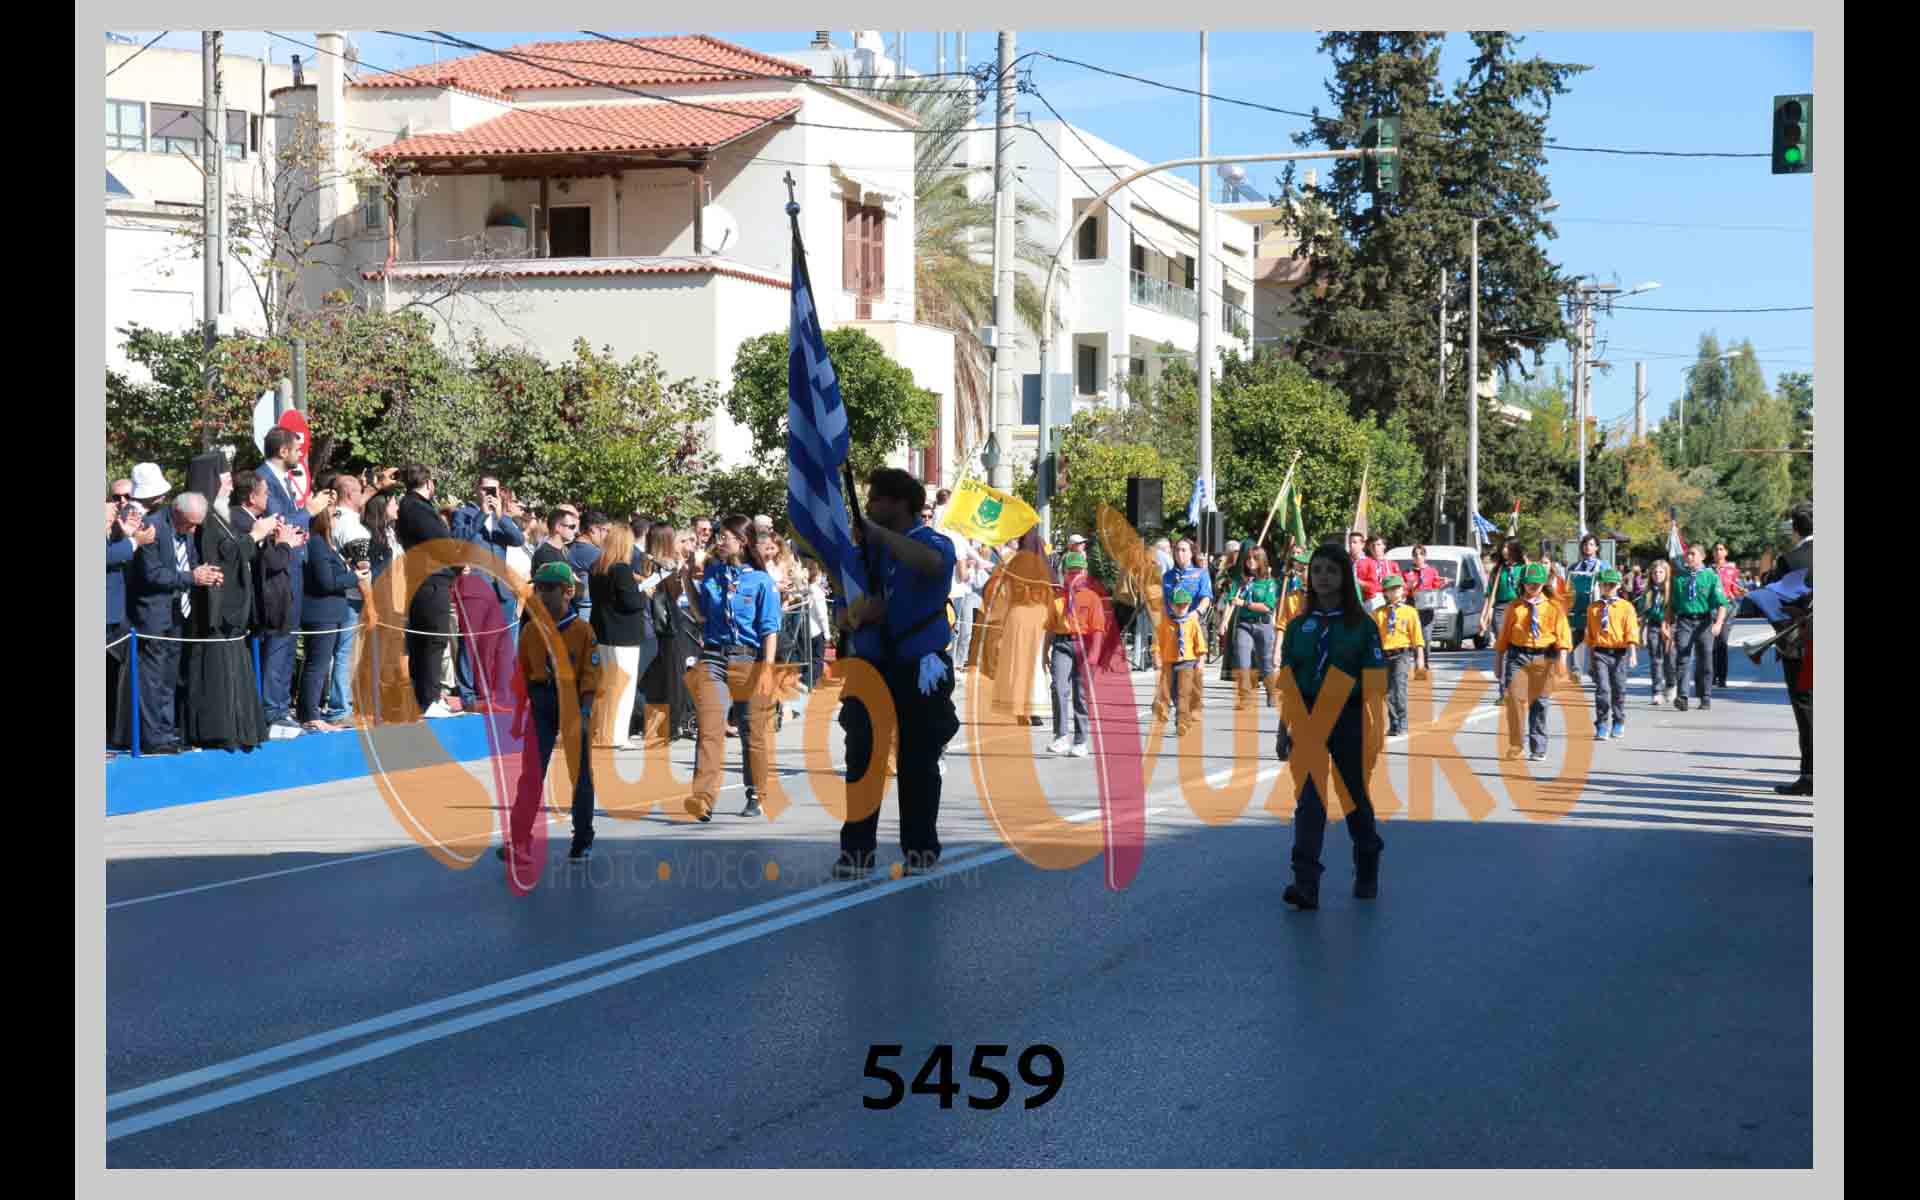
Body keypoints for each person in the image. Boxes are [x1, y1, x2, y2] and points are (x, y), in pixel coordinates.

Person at [834, 469, 959, 878]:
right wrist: (859, 614)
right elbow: (842, 609)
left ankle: (920, 848)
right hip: (870, 667)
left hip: (918, 667)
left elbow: (931, 564)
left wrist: (880, 536)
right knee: (862, 760)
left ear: (900, 503)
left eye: (876, 500)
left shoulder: (932, 542)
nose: (868, 507)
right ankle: (856, 851)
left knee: (917, 762)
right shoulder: (863, 554)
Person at [1274, 543, 1389, 910]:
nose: (1322, 577)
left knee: (1352, 796)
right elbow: (1289, 680)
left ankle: (1367, 862)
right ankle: (1305, 883)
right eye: (1317, 570)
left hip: (1346, 712)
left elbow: (1375, 683)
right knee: (1309, 801)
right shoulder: (1299, 626)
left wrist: (1377, 727)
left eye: (1331, 570)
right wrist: (1283, 729)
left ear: (1345, 577)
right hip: (1307, 714)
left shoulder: (1361, 626)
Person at [498, 561, 603, 868]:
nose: (542, 595)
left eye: (549, 589)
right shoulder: (531, 631)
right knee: (531, 774)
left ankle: (582, 839)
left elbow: (592, 675)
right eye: (539, 588)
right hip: (542, 703)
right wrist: (518, 717)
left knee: (580, 775)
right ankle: (519, 840)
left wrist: (584, 712)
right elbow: (523, 676)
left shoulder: (582, 631)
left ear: (568, 592)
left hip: (573, 703)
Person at [685, 515, 781, 822]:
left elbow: (770, 628)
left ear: (742, 541)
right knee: (709, 728)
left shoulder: (761, 581)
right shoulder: (714, 572)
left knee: (752, 732)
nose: (718, 542)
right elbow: (701, 615)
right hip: (713, 657)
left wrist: (767, 669)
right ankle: (702, 799)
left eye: (724, 537)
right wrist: (687, 578)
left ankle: (756, 793)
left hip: (748, 660)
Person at [181, 452, 276, 752]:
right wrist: (255, 536)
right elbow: (224, 556)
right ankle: (216, 730)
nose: (230, 485)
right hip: (214, 612)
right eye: (224, 479)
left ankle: (239, 727)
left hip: (231, 612)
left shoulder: (220, 516)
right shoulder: (204, 519)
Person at [127, 488, 224, 755]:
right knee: (153, 678)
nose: (193, 530)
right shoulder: (153, 526)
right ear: (177, 511)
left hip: (177, 613)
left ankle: (167, 731)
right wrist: (192, 577)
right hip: (152, 614)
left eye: (196, 525)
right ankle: (152, 737)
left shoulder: (186, 529)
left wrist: (207, 574)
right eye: (190, 524)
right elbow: (153, 574)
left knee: (170, 676)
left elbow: (189, 562)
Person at [256, 428, 320, 732]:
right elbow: (277, 524)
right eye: (296, 449)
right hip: (277, 570)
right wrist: (307, 511)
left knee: (288, 637)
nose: (300, 455)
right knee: (278, 639)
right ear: (283, 451)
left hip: (293, 567)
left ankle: (280, 705)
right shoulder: (264, 480)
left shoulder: (283, 481)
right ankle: (271, 709)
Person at [449, 475, 526, 715]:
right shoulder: (464, 513)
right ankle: (468, 695)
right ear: (476, 489)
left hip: (501, 588)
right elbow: (458, 540)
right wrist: (482, 514)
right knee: (470, 642)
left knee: (501, 646)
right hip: (475, 585)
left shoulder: (502, 517)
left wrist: (500, 515)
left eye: (494, 489)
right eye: (485, 489)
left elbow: (518, 539)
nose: (489, 494)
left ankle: (495, 694)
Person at [394, 466, 461, 719]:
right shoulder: (416, 507)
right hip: (430, 581)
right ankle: (427, 699)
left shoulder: (410, 506)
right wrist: (458, 563)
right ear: (429, 483)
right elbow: (440, 542)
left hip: (426, 579)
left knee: (428, 641)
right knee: (432, 640)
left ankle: (426, 697)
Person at [587, 521, 656, 750]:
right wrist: (644, 592)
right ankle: (618, 736)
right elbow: (631, 602)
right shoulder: (621, 569)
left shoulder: (597, 567)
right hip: (624, 635)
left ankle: (603, 732)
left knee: (607, 685)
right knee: (624, 687)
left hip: (603, 631)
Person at [1493, 562, 1573, 762]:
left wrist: (1562, 661)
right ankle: (1516, 745)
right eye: (1529, 583)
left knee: (1540, 702)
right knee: (1515, 700)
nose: (1532, 586)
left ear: (1544, 583)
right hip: (1517, 656)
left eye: (1536, 583)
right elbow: (1504, 636)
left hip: (1544, 657)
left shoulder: (1554, 607)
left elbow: (1563, 636)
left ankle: (1538, 747)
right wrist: (1498, 660)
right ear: (1523, 583)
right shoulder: (1515, 607)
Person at [298, 508, 363, 733]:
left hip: (331, 613)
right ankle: (310, 715)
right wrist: (354, 577)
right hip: (320, 614)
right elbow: (325, 582)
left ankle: (310, 712)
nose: (337, 520)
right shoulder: (317, 544)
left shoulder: (327, 545)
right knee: (317, 665)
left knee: (320, 664)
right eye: (335, 516)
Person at [1766, 504, 1813, 795]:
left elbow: (1778, 605)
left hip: (1802, 644)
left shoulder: (1790, 559)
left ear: (1795, 529)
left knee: (1806, 708)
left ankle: (1810, 774)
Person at [106, 497, 154, 750]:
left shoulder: (111, 532)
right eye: (111, 503)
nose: (117, 507)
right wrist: (135, 541)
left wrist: (125, 535)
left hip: (115, 616)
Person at [1047, 550, 1103, 756]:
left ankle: (1080, 740)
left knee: (1080, 693)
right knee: (1058, 687)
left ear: (1085, 573)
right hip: (1062, 643)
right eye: (1071, 572)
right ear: (1064, 574)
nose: (1075, 576)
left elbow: (1098, 629)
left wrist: (1094, 654)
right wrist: (1044, 652)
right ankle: (1061, 736)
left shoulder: (1092, 598)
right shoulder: (1057, 598)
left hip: (1084, 645)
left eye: (1078, 572)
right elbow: (1050, 627)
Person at [1669, 542, 1728, 713]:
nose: (1688, 557)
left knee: (1705, 660)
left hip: (1704, 621)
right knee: (1683, 657)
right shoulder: (1679, 578)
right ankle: (1683, 696)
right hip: (1684, 621)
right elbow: (1672, 605)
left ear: (1702, 557)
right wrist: (1669, 624)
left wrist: (1718, 623)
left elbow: (1722, 603)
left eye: (1692, 554)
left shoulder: (1710, 576)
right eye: (1687, 554)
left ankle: (1705, 696)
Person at [1585, 568, 1639, 741]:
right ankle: (1602, 724)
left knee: (1619, 689)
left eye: (1611, 585)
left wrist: (1632, 653)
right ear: (1599, 586)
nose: (1607, 588)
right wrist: (1591, 658)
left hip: (1619, 653)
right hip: (1600, 652)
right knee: (1603, 689)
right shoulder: (1593, 608)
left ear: (1618, 586)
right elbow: (1591, 635)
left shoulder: (1626, 607)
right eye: (1604, 584)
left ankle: (1618, 720)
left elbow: (1631, 630)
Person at [1373, 573, 1425, 738]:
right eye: (1391, 589)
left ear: (1403, 590)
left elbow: (1417, 637)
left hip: (1402, 654)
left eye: (1398, 588)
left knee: (1399, 689)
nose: (1395, 591)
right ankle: (1394, 723)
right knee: (1387, 692)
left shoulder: (1410, 612)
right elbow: (1372, 638)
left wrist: (1420, 660)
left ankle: (1402, 722)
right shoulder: (1378, 613)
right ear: (1385, 592)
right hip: (1383, 655)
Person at [1229, 547, 1279, 711]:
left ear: (1261, 560)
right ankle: (1245, 697)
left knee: (1265, 663)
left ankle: (1271, 691)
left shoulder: (1269, 583)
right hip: (1244, 624)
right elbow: (1232, 599)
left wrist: (1245, 603)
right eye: (1248, 558)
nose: (1250, 561)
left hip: (1263, 625)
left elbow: (1267, 606)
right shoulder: (1241, 580)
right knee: (1242, 660)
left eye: (1255, 558)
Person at [1483, 539, 1529, 699]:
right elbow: (1490, 594)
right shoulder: (1498, 570)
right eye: (1503, 547)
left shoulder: (1523, 568)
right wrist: (1484, 615)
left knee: (1518, 648)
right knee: (1503, 648)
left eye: (1508, 547)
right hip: (1501, 610)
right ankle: (1504, 691)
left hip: (1519, 608)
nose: (1505, 550)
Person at [1159, 589, 1207, 737]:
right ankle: (1186, 717)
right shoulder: (1165, 622)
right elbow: (1159, 642)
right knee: (1174, 693)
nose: (1181, 608)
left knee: (1183, 693)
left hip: (1187, 661)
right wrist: (1157, 658)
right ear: (1171, 605)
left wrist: (1201, 661)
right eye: (1178, 605)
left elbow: (1200, 643)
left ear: (1189, 605)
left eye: (1184, 605)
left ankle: (1181, 723)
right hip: (1169, 662)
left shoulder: (1192, 622)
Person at [1637, 558, 1676, 706]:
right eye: (1655, 572)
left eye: (1661, 572)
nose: (1657, 575)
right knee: (1655, 660)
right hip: (1653, 626)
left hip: (1670, 625)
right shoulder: (1648, 592)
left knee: (1670, 659)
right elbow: (1643, 615)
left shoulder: (1672, 590)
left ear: (1666, 573)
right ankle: (1657, 691)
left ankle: (1671, 684)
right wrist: (1640, 634)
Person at [1567, 535, 1605, 684]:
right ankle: (1575, 671)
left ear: (1597, 548)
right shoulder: (1574, 567)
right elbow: (1568, 588)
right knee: (1574, 640)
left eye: (1591, 544)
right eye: (1585, 544)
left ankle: (1595, 670)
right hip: (1577, 609)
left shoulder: (1603, 567)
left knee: (1596, 641)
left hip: (1597, 609)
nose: (1588, 547)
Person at [1709, 541, 1745, 688]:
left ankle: (1722, 678)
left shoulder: (1732, 570)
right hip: (1711, 609)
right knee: (1711, 644)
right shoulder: (1708, 571)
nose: (1718, 551)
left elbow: (1736, 590)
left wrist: (1739, 592)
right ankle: (1711, 676)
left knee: (1722, 643)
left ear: (1726, 552)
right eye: (1716, 549)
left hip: (1727, 608)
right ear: (1712, 553)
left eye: (1721, 549)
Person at [1403, 545, 1443, 640]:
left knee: (1426, 635)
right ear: (1412, 557)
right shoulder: (1407, 572)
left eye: (1421, 554)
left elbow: (1436, 586)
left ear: (1425, 556)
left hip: (1427, 605)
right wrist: (1409, 586)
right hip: (1412, 604)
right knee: (1412, 633)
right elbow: (1403, 589)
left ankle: (1426, 649)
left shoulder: (1432, 571)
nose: (1418, 557)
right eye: (1415, 555)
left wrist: (1442, 583)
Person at [1354, 534, 1393, 613]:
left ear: (1384, 546)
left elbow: (1401, 585)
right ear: (1369, 547)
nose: (1375, 548)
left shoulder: (1392, 564)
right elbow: (1357, 584)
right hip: (1371, 600)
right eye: (1373, 545)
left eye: (1378, 544)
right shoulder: (1362, 563)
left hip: (1389, 599)